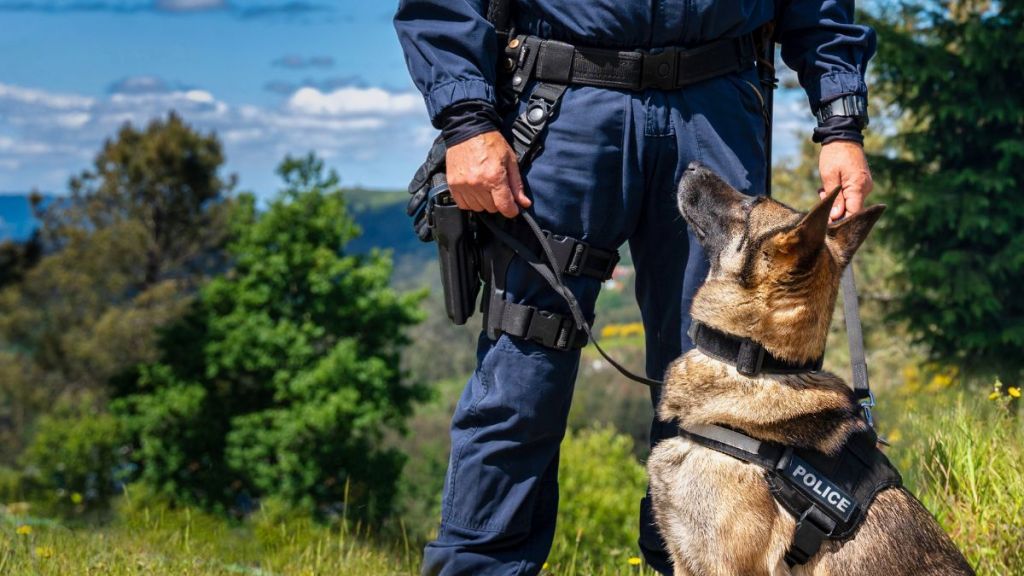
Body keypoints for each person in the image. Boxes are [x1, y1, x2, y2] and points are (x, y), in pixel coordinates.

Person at [394, 1, 876, 574]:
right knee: (522, 375)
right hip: (563, 101)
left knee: (723, 384)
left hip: (718, 103)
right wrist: (466, 120)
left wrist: (840, 119)